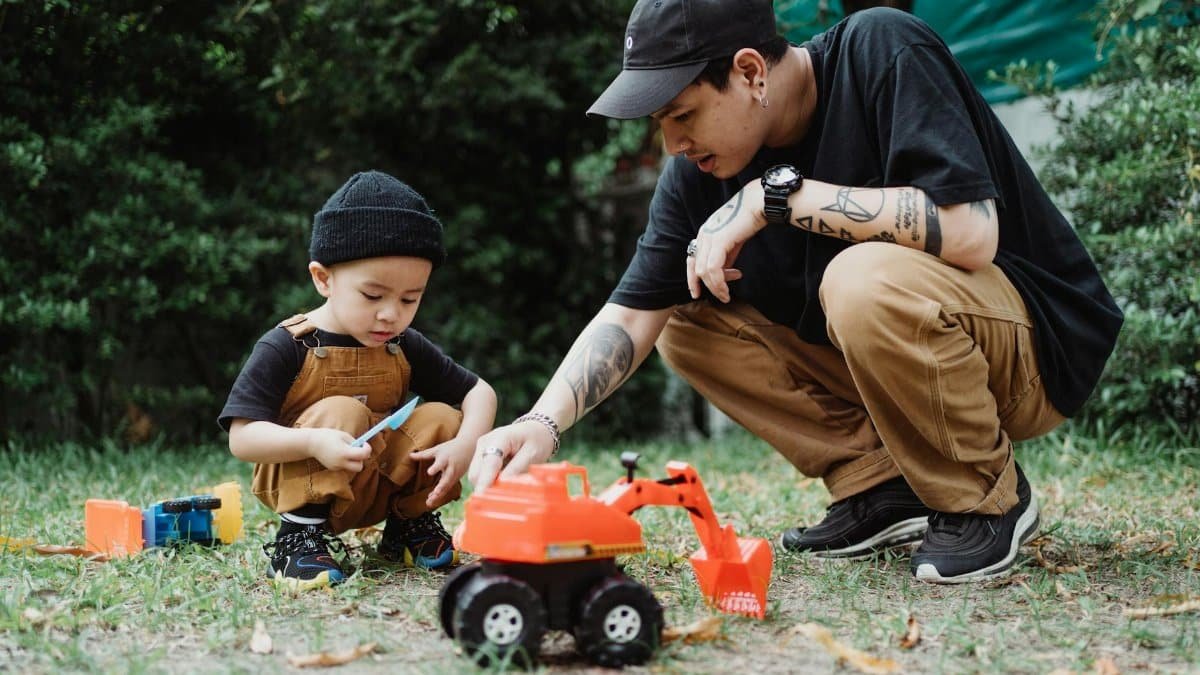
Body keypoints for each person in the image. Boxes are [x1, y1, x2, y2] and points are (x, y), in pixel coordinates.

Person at [469, 0, 1122, 583]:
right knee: (682, 316)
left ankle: (986, 499)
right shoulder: (698, 169)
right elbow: (635, 310)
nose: (672, 142)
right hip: (900, 364)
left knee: (860, 278)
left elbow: (970, 231)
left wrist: (775, 199)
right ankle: (882, 483)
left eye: (684, 113)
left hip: (1029, 349)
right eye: (662, 123)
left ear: (751, 72)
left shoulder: (882, 48)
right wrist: (542, 422)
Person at [220, 170, 496, 590]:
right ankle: (298, 539)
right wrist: (313, 443)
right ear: (323, 278)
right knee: (341, 410)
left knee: (440, 415)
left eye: (410, 299)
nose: (391, 314)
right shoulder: (286, 345)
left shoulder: (403, 344)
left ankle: (408, 525)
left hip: (377, 482)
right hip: (306, 485)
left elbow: (480, 392)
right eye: (373, 296)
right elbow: (242, 439)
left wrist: (464, 445)